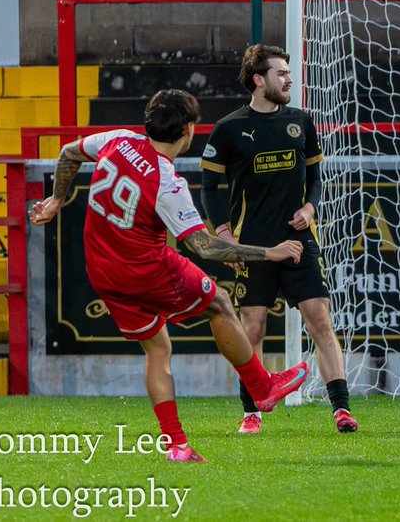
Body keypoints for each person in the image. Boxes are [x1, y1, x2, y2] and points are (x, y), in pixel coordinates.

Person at [29, 89, 309, 463]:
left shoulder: (118, 140)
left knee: (158, 349)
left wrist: (57, 199)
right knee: (221, 305)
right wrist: (269, 253)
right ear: (190, 131)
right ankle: (262, 388)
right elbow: (205, 247)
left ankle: (177, 445)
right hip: (146, 268)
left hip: (102, 271)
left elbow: (68, 154)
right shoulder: (168, 182)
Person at [201, 44, 357, 435]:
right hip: (252, 245)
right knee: (252, 328)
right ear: (259, 80)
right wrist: (223, 234)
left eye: (288, 73)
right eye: (281, 73)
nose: (289, 80)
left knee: (320, 320)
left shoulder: (301, 121)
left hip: (299, 241)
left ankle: (341, 409)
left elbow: (317, 179)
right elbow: (208, 187)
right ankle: (251, 412)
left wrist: (310, 209)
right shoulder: (229, 128)